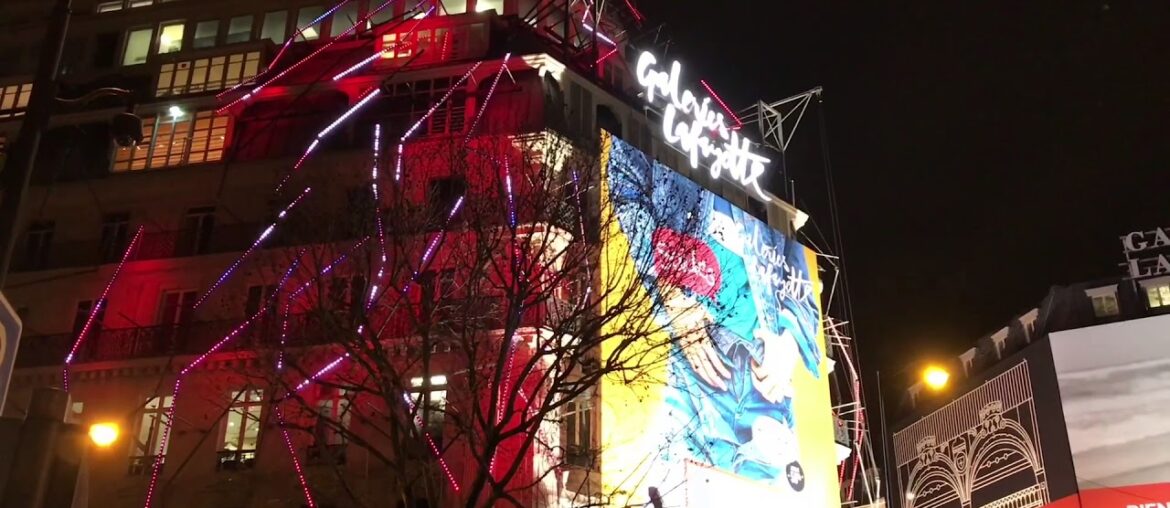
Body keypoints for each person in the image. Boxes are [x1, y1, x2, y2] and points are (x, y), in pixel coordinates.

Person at [607, 138, 822, 491]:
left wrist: (790, 340)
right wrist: (673, 299)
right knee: (673, 493)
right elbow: (624, 182)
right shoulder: (651, 148)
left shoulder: (759, 197)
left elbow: (797, 278)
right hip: (696, 368)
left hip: (766, 382)